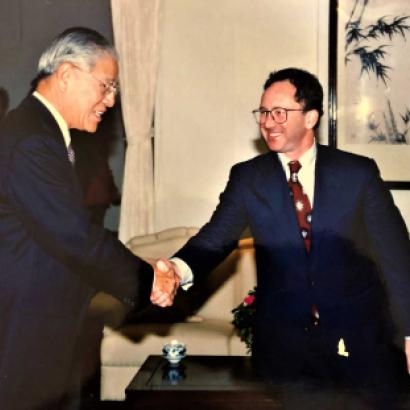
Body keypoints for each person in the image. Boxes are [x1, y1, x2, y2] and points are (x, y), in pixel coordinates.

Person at [166, 68, 410, 408]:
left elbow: (397, 257)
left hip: (361, 346)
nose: (268, 122)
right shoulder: (248, 178)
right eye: (263, 113)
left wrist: (409, 333)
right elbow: (214, 238)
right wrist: (176, 270)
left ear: (310, 117)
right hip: (289, 353)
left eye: (279, 112)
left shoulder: (358, 174)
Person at [0, 27, 178, 410]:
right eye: (107, 86)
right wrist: (148, 279)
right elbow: (75, 238)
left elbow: (60, 238)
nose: (111, 101)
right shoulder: (32, 140)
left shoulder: (39, 133)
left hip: (38, 327)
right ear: (66, 75)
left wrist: (140, 266)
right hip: (21, 332)